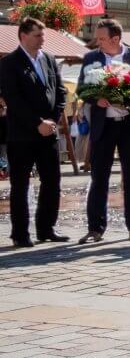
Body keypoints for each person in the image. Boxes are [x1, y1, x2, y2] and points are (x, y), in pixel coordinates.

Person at [79, 18, 130, 244]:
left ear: (116, 39)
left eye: (102, 38)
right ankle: (96, 229)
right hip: (104, 126)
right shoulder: (91, 58)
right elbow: (83, 88)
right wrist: (97, 98)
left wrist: (129, 97)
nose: (97, 42)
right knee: (99, 177)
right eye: (97, 38)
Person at [0, 17, 68, 247]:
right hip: (22, 135)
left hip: (48, 132)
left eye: (43, 35)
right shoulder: (10, 62)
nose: (42, 39)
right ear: (24, 36)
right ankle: (20, 233)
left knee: (52, 181)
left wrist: (53, 120)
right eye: (38, 35)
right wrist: (36, 123)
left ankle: (46, 228)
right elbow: (13, 99)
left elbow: (60, 92)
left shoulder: (48, 59)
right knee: (20, 185)